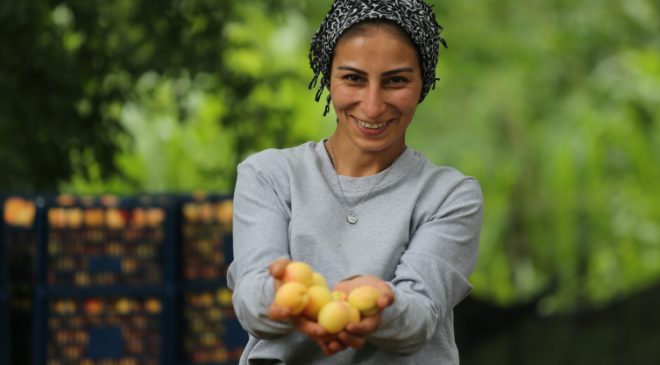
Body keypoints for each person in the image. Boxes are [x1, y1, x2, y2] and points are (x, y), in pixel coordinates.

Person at [227, 0, 483, 363]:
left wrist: (381, 305)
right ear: (327, 77)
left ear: (422, 82)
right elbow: (252, 302)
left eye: (396, 80)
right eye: (353, 78)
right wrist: (281, 295)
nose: (373, 105)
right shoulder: (268, 175)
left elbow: (420, 317)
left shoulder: (449, 196)